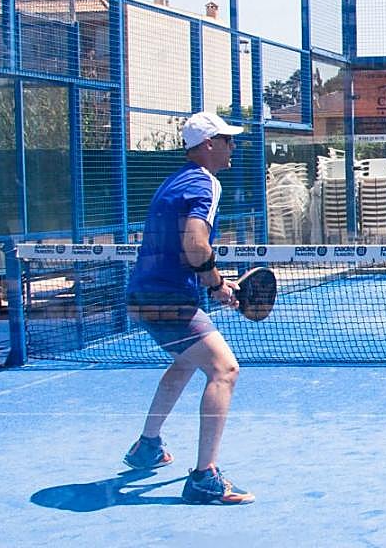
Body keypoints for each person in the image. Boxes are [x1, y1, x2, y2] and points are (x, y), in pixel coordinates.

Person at [122, 111, 254, 505]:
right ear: (209, 144)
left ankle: (147, 447)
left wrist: (214, 283)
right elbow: (195, 246)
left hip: (144, 295)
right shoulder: (204, 182)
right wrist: (215, 284)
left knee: (184, 363)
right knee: (224, 369)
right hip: (167, 298)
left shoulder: (176, 180)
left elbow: (183, 251)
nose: (233, 146)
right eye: (228, 140)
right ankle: (203, 478)